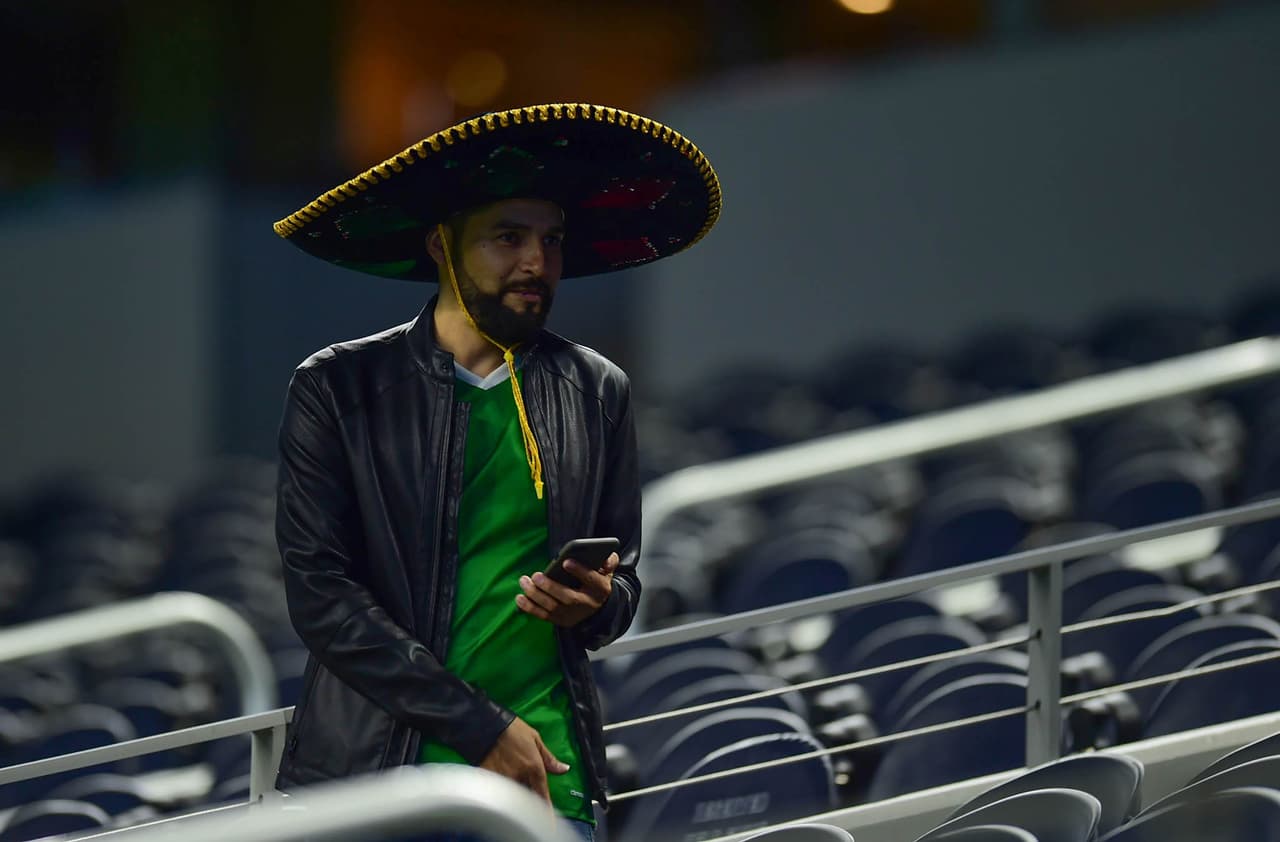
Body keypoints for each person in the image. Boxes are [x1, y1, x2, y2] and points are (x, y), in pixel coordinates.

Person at [270, 103, 721, 839]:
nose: (536, 262)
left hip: (547, 786)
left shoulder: (598, 389)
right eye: (507, 237)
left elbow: (623, 582)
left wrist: (596, 604)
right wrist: (481, 728)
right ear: (441, 246)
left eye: (551, 240)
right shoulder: (337, 388)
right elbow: (322, 597)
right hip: (378, 788)